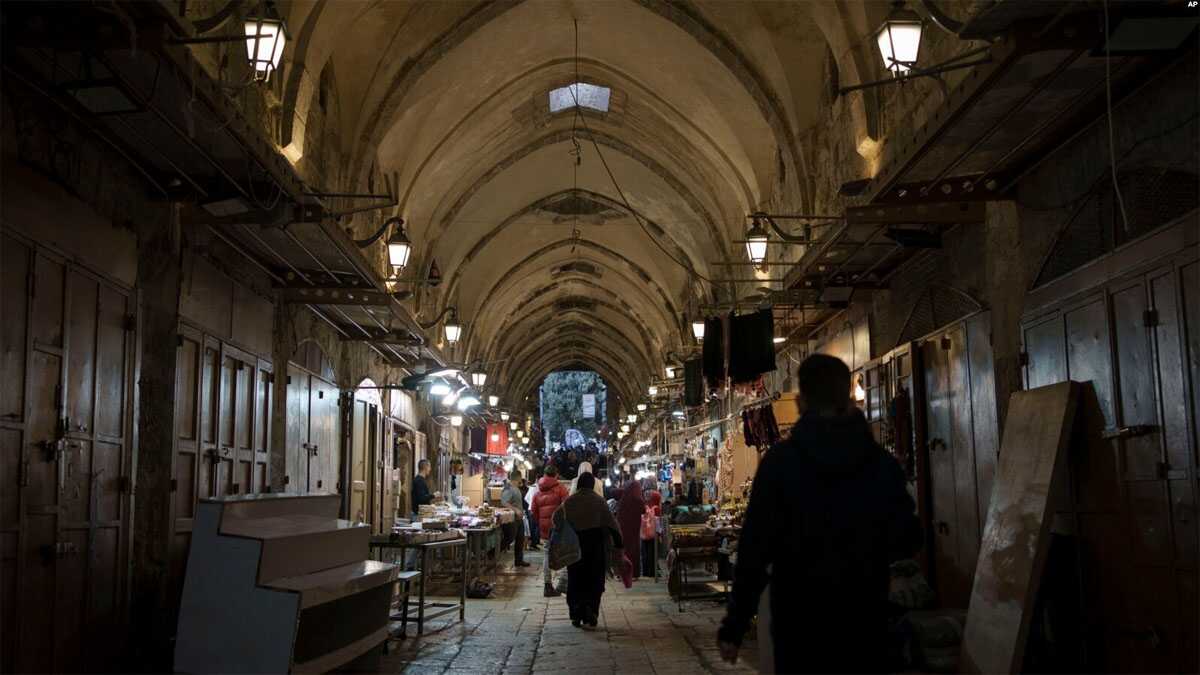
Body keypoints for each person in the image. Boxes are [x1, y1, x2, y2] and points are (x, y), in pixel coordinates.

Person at [717, 354, 922, 674]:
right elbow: (907, 538)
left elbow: (754, 550)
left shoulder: (780, 464)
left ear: (800, 402)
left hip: (799, 627)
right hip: (864, 623)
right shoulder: (880, 464)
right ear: (848, 398)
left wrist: (734, 626)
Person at [554, 472, 624, 628]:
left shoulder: (570, 501)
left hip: (575, 546)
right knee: (594, 579)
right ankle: (591, 611)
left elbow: (556, 518)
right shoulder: (599, 501)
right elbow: (612, 524)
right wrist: (619, 544)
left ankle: (576, 613)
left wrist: (565, 528)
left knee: (575, 578)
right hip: (595, 546)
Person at [532, 465, 570, 596]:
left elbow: (534, 512)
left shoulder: (537, 492)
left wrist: (541, 523)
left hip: (545, 527)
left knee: (547, 555)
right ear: (556, 475)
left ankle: (547, 585)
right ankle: (563, 583)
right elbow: (567, 507)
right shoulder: (561, 489)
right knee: (564, 553)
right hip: (558, 527)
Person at [615, 479, 645, 579]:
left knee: (623, 550)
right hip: (634, 529)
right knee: (633, 551)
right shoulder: (638, 499)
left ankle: (621, 573)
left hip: (622, 528)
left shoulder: (623, 498)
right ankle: (633, 574)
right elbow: (643, 510)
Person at [500, 470, 530, 568]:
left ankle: (519, 560)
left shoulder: (516, 488)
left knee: (520, 539)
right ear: (518, 477)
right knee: (510, 538)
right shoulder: (508, 488)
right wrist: (516, 510)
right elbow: (504, 502)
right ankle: (491, 553)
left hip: (519, 518)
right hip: (511, 519)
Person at [641, 488, 662, 577]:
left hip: (644, 533)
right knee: (653, 553)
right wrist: (660, 534)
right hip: (653, 534)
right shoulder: (656, 508)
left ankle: (645, 571)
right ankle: (652, 572)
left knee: (645, 552)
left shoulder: (645, 507)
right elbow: (658, 524)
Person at [525, 471, 542, 551]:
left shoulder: (532, 487)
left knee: (533, 527)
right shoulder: (538, 488)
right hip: (535, 510)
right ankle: (533, 544)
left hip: (530, 509)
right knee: (536, 528)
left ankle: (535, 542)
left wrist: (530, 505)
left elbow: (526, 498)